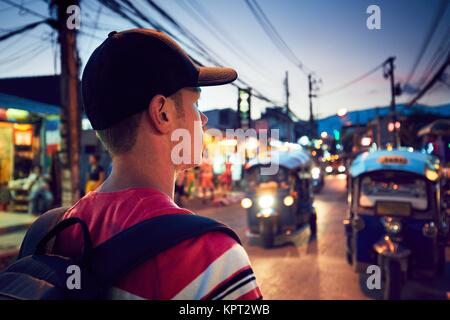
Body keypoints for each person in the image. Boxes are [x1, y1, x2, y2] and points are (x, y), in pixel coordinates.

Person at [54, 29, 262, 300]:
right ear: (162, 114)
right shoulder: (211, 258)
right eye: (196, 104)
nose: (204, 120)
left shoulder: (64, 229)